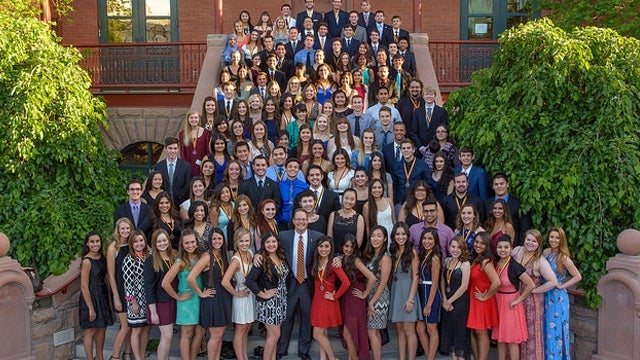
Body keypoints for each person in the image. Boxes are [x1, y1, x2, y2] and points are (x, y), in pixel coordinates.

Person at [277, 208, 323, 360]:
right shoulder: (284, 236)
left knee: (306, 317)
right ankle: (281, 349)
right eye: (298, 219)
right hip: (290, 282)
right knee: (287, 317)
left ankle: (304, 350)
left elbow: (327, 251)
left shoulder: (317, 237)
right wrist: (257, 255)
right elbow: (268, 247)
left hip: (307, 284)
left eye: (304, 219)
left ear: (308, 220)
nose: (301, 222)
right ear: (293, 221)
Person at [511, 229, 558, 360]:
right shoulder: (517, 251)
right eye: (528, 240)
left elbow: (553, 281)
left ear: (539, 244)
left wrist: (535, 290)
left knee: (531, 334)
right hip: (516, 297)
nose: (530, 243)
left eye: (534, 241)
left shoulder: (540, 261)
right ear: (524, 240)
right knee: (516, 331)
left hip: (532, 303)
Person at [187, 228, 232, 360]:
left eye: (219, 238)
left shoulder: (222, 255)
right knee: (215, 335)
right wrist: (201, 293)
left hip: (223, 297)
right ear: (209, 241)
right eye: (214, 239)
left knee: (219, 335)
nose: (217, 241)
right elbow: (191, 277)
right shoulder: (207, 256)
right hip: (213, 298)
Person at [161, 228, 206, 360]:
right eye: (187, 243)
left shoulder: (201, 258)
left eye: (192, 242)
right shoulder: (180, 261)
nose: (190, 245)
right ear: (182, 244)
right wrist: (178, 296)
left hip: (199, 298)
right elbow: (165, 283)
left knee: (201, 331)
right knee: (187, 334)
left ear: (197, 243)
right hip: (187, 300)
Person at [246, 232, 290, 360]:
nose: (271, 245)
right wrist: (262, 294)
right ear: (263, 244)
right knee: (274, 335)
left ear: (278, 243)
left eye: (273, 242)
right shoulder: (261, 259)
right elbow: (250, 281)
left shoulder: (281, 256)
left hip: (280, 301)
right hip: (269, 303)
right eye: (268, 242)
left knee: (274, 335)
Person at [492, 235, 535, 360]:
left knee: (511, 340)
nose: (503, 250)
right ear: (496, 249)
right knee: (500, 338)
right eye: (500, 247)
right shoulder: (495, 263)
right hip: (498, 302)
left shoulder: (515, 266)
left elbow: (530, 285)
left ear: (511, 249)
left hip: (510, 304)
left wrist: (518, 299)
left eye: (506, 247)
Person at [543, 226, 582, 360]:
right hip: (545, 295)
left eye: (557, 237)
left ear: (562, 240)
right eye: (551, 237)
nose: (553, 240)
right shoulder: (546, 253)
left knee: (556, 332)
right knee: (546, 330)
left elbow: (577, 276)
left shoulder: (563, 257)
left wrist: (562, 286)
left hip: (557, 299)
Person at [310, 236, 351, 360]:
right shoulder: (316, 262)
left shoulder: (333, 263)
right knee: (323, 333)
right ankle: (323, 358)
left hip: (327, 301)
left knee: (317, 334)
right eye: (321, 246)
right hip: (317, 300)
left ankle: (332, 358)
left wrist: (335, 296)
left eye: (326, 246)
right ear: (317, 248)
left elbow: (346, 283)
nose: (323, 249)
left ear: (331, 248)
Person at [388, 222, 422, 360]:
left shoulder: (412, 252)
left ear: (407, 236)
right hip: (397, 292)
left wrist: (411, 299)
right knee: (400, 329)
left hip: (408, 292)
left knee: (409, 329)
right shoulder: (394, 250)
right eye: (397, 234)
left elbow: (416, 277)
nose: (400, 237)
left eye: (403, 234)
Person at [221, 228, 255, 360]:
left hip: (249, 295)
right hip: (241, 297)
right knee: (240, 330)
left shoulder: (250, 253)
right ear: (236, 242)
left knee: (246, 328)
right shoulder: (235, 260)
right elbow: (225, 281)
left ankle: (245, 356)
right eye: (242, 241)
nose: (244, 244)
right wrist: (236, 293)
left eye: (247, 241)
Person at [340, 234, 376, 360]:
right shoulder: (342, 258)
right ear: (342, 246)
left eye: (351, 247)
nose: (349, 249)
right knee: (349, 334)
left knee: (349, 333)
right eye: (346, 246)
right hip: (346, 297)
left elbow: (372, 278)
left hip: (355, 297)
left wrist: (364, 294)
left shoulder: (356, 261)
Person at [143, 229, 176, 360]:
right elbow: (149, 288)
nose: (162, 243)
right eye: (159, 241)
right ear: (154, 244)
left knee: (168, 337)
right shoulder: (150, 261)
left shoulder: (172, 257)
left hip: (170, 300)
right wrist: (153, 312)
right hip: (159, 303)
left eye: (164, 240)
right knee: (167, 336)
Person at [80, 231, 113, 360]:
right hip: (90, 296)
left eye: (97, 241)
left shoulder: (102, 257)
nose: (95, 244)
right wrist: (91, 308)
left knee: (102, 328)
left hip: (102, 295)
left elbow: (106, 278)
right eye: (92, 242)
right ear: (87, 244)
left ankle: (100, 357)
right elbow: (84, 286)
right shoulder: (87, 261)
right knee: (91, 330)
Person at [467, 232, 500, 360]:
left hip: (481, 301)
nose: (478, 245)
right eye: (477, 242)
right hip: (473, 299)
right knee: (474, 332)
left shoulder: (486, 261)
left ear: (487, 246)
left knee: (481, 333)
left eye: (482, 243)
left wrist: (485, 296)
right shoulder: (476, 258)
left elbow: (496, 282)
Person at [439, 236, 471, 360]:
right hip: (447, 302)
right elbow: (442, 280)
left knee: (459, 333)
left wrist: (450, 301)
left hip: (459, 303)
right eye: (453, 246)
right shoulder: (447, 261)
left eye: (459, 247)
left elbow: (464, 287)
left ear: (463, 249)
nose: (455, 250)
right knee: (450, 332)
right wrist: (444, 300)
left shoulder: (465, 264)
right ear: (449, 247)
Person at [362, 225, 392, 360]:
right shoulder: (370, 255)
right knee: (375, 331)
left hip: (379, 298)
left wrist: (372, 302)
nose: (375, 238)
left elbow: (383, 282)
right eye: (373, 235)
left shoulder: (385, 258)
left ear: (385, 238)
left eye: (379, 236)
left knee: (372, 330)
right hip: (370, 296)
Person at [107, 218, 134, 360]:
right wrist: (116, 296)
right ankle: (115, 356)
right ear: (118, 230)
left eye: (127, 228)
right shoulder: (113, 248)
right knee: (125, 326)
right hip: (120, 290)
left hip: (132, 290)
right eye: (122, 228)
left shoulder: (132, 245)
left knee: (131, 325)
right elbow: (111, 274)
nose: (125, 231)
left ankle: (127, 353)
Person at [123, 230, 150, 360]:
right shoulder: (129, 259)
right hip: (136, 299)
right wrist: (133, 302)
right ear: (131, 244)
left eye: (141, 240)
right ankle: (138, 358)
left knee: (146, 328)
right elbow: (128, 283)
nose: (139, 243)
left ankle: (143, 355)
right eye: (136, 241)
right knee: (137, 329)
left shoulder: (148, 255)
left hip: (147, 298)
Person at [415, 227, 442, 360]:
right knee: (420, 328)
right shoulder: (423, 254)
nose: (427, 241)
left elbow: (435, 283)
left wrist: (429, 304)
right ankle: (428, 355)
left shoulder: (435, 257)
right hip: (421, 292)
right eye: (424, 238)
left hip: (430, 294)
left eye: (430, 238)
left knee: (431, 328)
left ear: (435, 240)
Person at [485, 172, 531, 246]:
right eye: (496, 184)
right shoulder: (487, 203)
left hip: (514, 247)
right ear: (492, 186)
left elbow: (524, 228)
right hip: (491, 247)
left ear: (507, 184)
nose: (499, 186)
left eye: (501, 183)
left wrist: (520, 248)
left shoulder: (518, 204)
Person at [152, 137, 192, 207]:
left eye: (175, 148)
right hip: (163, 204)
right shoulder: (158, 167)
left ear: (178, 149)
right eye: (170, 148)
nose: (173, 151)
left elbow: (188, 184)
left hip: (181, 204)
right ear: (165, 149)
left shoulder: (186, 166)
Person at [411, 87, 448, 158]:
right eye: (426, 94)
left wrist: (434, 145)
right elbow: (413, 132)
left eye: (431, 94)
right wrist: (421, 147)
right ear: (423, 96)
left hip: (437, 148)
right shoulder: (417, 112)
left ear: (434, 96)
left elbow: (443, 131)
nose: (429, 96)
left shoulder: (442, 112)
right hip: (420, 150)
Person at [393, 139, 430, 205]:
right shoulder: (397, 166)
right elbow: (395, 187)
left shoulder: (422, 165)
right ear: (401, 150)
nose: (406, 150)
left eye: (408, 148)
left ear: (413, 150)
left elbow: (428, 184)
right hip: (401, 202)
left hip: (418, 202)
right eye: (403, 148)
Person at [278, 158, 310, 227]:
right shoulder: (279, 185)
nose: (292, 169)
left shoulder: (305, 186)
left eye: (295, 167)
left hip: (299, 222)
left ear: (299, 170)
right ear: (285, 169)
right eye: (290, 167)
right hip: (282, 221)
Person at [179, 111, 211, 177]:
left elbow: (208, 150)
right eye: (191, 118)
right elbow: (182, 153)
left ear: (199, 119)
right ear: (188, 119)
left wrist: (206, 163)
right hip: (188, 166)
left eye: (196, 118)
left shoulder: (206, 133)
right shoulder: (182, 134)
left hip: (202, 165)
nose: (194, 120)